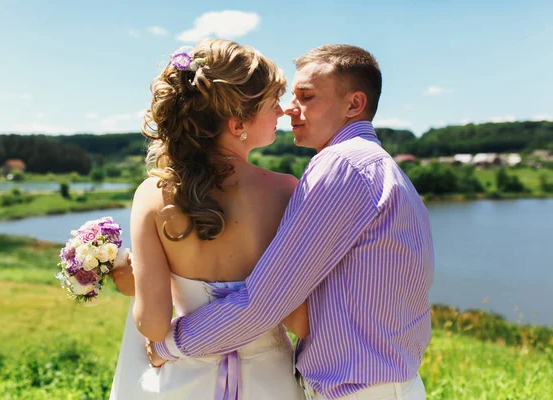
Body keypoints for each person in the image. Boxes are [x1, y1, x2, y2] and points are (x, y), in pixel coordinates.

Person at [143, 44, 435, 400]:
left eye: (307, 97)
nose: (289, 110)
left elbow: (264, 303)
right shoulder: (380, 168)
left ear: (354, 105)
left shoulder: (341, 165)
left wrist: (169, 345)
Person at [108, 39, 306, 399]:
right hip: (269, 382)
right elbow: (300, 318)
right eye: (271, 103)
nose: (282, 112)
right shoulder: (286, 192)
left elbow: (153, 325)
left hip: (184, 382)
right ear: (237, 124)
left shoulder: (151, 195)